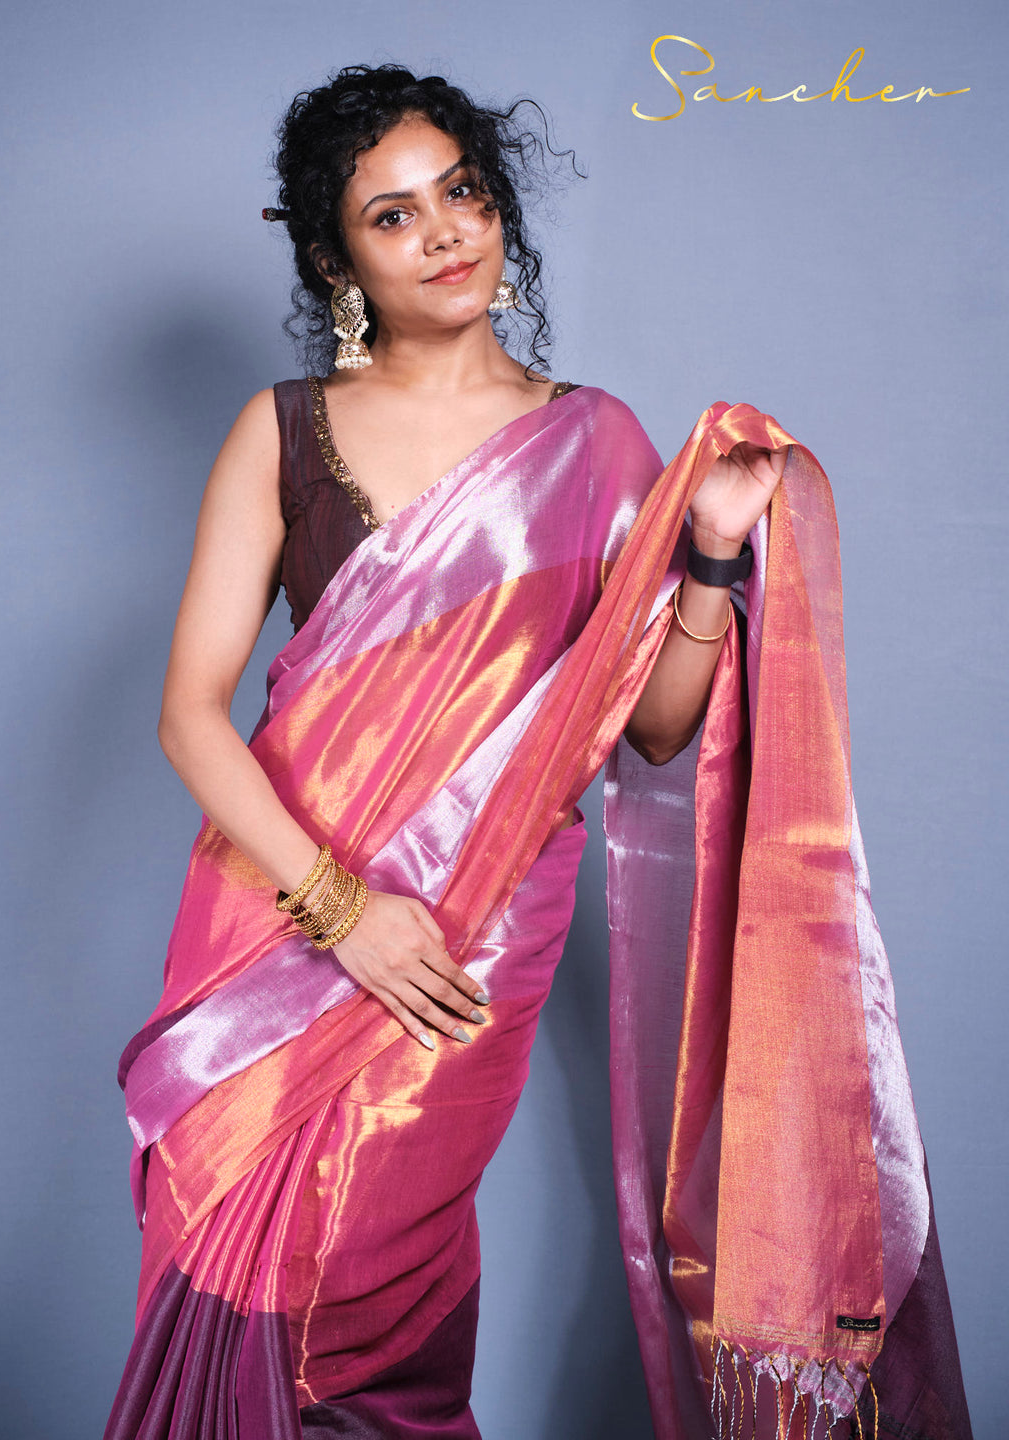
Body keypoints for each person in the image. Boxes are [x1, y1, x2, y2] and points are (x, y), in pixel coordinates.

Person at [105, 64, 971, 1440]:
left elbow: (653, 728)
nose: (445, 230)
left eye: (462, 190)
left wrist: (711, 552)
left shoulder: (597, 440)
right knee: (237, 1262)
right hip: (275, 922)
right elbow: (189, 717)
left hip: (475, 933)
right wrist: (343, 912)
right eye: (393, 216)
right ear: (341, 260)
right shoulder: (284, 432)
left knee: (372, 1299)